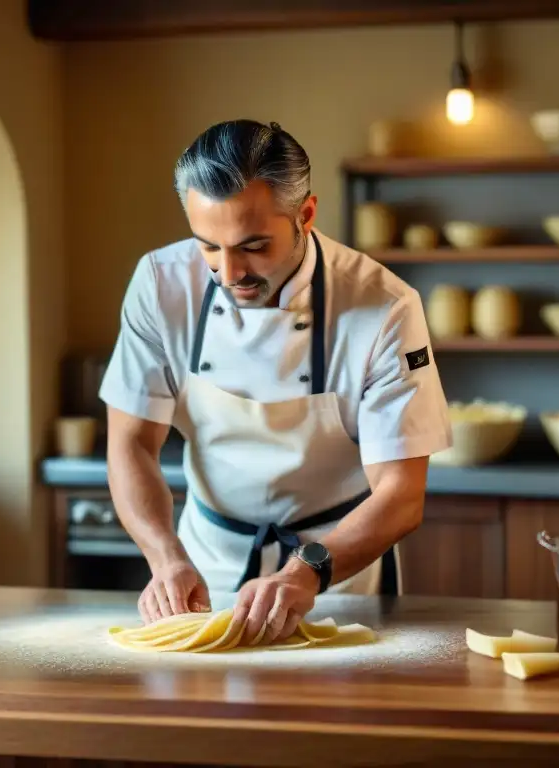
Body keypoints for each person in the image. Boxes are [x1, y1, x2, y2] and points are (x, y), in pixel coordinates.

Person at [99, 118, 452, 645]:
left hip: (335, 574)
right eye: (208, 247)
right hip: (205, 563)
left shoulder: (384, 307)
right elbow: (130, 442)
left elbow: (401, 494)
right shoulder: (160, 284)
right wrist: (165, 555)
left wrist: (305, 572)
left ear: (305, 215)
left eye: (253, 246)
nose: (228, 272)